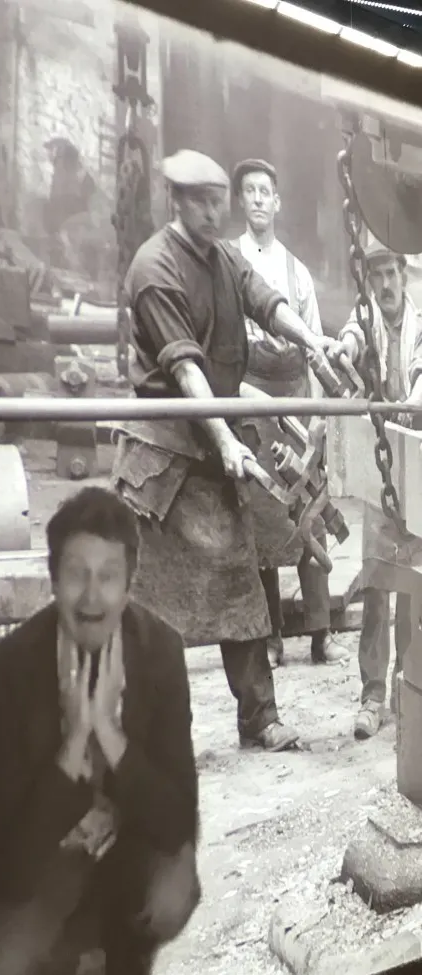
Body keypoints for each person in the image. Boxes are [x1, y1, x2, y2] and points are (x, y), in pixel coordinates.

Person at [112, 149, 339, 753]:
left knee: (239, 581)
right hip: (164, 459)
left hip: (214, 448)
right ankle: (151, 734)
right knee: (152, 608)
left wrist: (313, 340)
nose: (216, 212)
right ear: (178, 202)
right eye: (204, 202)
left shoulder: (223, 257)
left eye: (219, 201)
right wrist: (226, 438)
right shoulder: (155, 268)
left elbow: (266, 299)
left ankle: (259, 718)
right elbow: (186, 371)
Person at [0, 487, 200, 975]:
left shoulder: (161, 651)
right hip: (48, 858)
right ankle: (65, 963)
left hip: (131, 848)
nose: (91, 595)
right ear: (52, 579)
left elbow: (178, 819)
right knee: (7, 966)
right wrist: (72, 748)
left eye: (108, 574)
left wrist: (110, 734)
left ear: (129, 582)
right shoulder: (6, 672)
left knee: (170, 895)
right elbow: (5, 858)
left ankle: (122, 946)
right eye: (76, 573)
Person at [230, 157, 349, 669]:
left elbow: (316, 342)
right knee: (261, 512)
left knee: (311, 504)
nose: (258, 199)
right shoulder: (229, 262)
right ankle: (272, 634)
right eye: (250, 191)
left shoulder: (296, 271)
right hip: (247, 389)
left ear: (278, 202)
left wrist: (321, 412)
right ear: (241, 200)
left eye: (266, 192)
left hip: (295, 392)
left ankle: (322, 633)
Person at [332, 242, 422, 740]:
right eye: (376, 276)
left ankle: (403, 685)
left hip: (416, 460)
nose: (385, 285)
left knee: (412, 583)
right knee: (375, 585)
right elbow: (350, 336)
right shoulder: (364, 320)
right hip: (379, 464)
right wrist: (345, 348)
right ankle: (370, 695)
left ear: (404, 277)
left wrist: (411, 402)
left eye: (391, 273)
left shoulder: (420, 326)